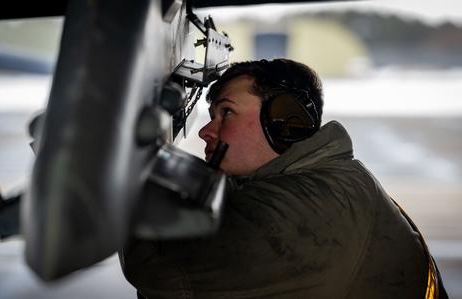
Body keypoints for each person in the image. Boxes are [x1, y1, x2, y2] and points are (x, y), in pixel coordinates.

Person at [121, 58, 447, 298]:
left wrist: (130, 159)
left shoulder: (314, 207)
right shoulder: (321, 179)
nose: (207, 131)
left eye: (227, 113)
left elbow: (160, 261)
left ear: (283, 121)